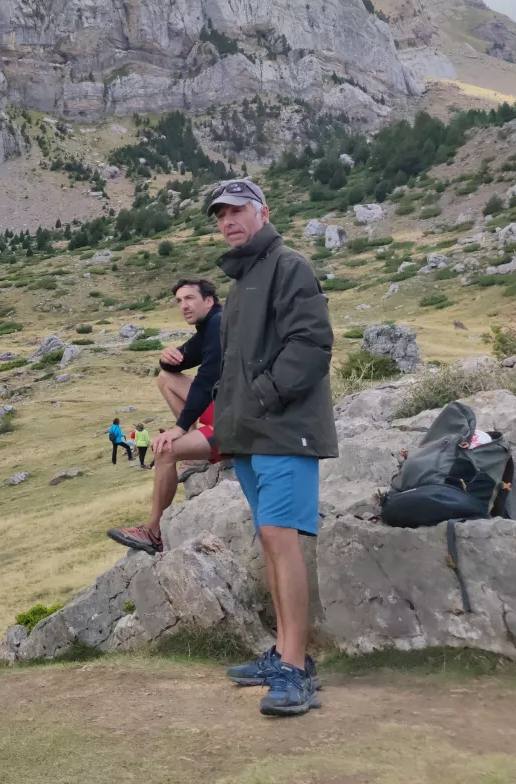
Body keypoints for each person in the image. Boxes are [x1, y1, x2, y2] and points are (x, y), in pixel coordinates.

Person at [208, 178, 335, 718]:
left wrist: (262, 396)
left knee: (281, 540)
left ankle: (295, 669)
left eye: (237, 210)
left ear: (263, 212)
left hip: (284, 429)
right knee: (270, 540)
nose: (228, 221)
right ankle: (286, 654)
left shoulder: (289, 265)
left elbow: (312, 343)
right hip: (251, 435)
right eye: (220, 215)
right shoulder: (244, 279)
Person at [108, 277, 226, 557]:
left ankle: (153, 533)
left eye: (190, 298)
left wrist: (180, 428)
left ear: (209, 301)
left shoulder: (220, 325)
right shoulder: (210, 326)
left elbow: (207, 380)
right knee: (165, 378)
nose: (183, 306)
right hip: (227, 409)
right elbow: (177, 363)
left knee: (165, 450)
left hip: (238, 423)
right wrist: (166, 357)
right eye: (179, 301)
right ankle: (197, 451)